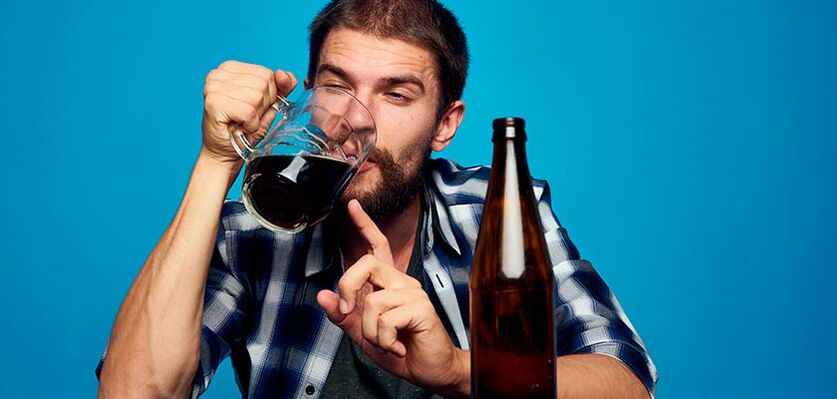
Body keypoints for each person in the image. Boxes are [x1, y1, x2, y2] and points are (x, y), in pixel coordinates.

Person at [96, 0, 658, 397]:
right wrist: (216, 160)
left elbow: (627, 382)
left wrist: (459, 372)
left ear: (444, 125)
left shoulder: (497, 212)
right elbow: (131, 395)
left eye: (396, 93)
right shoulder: (255, 232)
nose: (351, 124)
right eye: (336, 86)